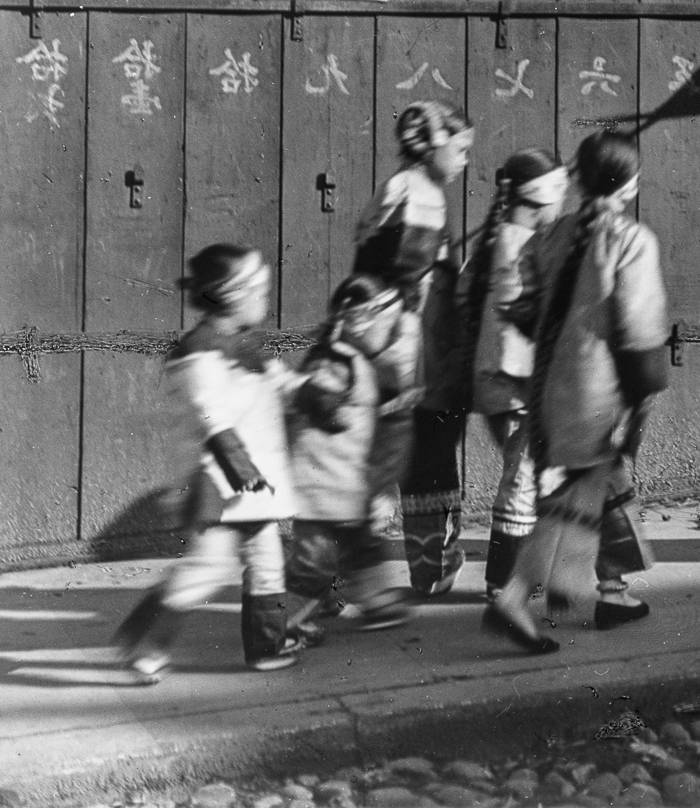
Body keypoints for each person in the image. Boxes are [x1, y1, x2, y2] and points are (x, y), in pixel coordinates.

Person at [483, 131, 669, 653]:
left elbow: (519, 303)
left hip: (551, 390)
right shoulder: (631, 240)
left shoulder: (555, 233)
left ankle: (594, 590)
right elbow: (640, 329)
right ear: (629, 184)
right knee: (581, 498)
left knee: (585, 495)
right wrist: (643, 395)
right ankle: (522, 597)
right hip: (600, 391)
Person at [112, 244, 307, 683]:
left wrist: (320, 393)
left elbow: (286, 383)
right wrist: (246, 476)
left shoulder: (248, 347)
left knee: (267, 561)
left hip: (255, 488)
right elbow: (212, 419)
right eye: (258, 289)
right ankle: (147, 644)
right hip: (221, 486)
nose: (265, 297)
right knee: (207, 566)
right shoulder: (198, 354)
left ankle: (266, 645)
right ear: (232, 295)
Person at [351, 100, 475, 598]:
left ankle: (416, 571)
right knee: (421, 459)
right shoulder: (420, 195)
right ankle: (419, 570)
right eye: (461, 148)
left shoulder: (403, 187)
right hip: (412, 354)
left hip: (390, 352)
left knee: (401, 464)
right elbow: (408, 285)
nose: (466, 159)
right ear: (434, 145)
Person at [281, 274, 416, 645]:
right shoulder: (336, 360)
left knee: (361, 547)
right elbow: (315, 400)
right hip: (325, 484)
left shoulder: (353, 359)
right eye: (387, 323)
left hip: (346, 482)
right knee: (314, 561)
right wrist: (327, 405)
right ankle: (281, 623)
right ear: (360, 322)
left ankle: (376, 601)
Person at [464, 148, 569, 601]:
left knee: (525, 472)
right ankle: (504, 582)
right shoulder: (526, 247)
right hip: (519, 382)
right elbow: (522, 327)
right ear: (542, 197)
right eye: (560, 192)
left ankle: (525, 571)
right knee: (524, 476)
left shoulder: (491, 239)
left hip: (490, 379)